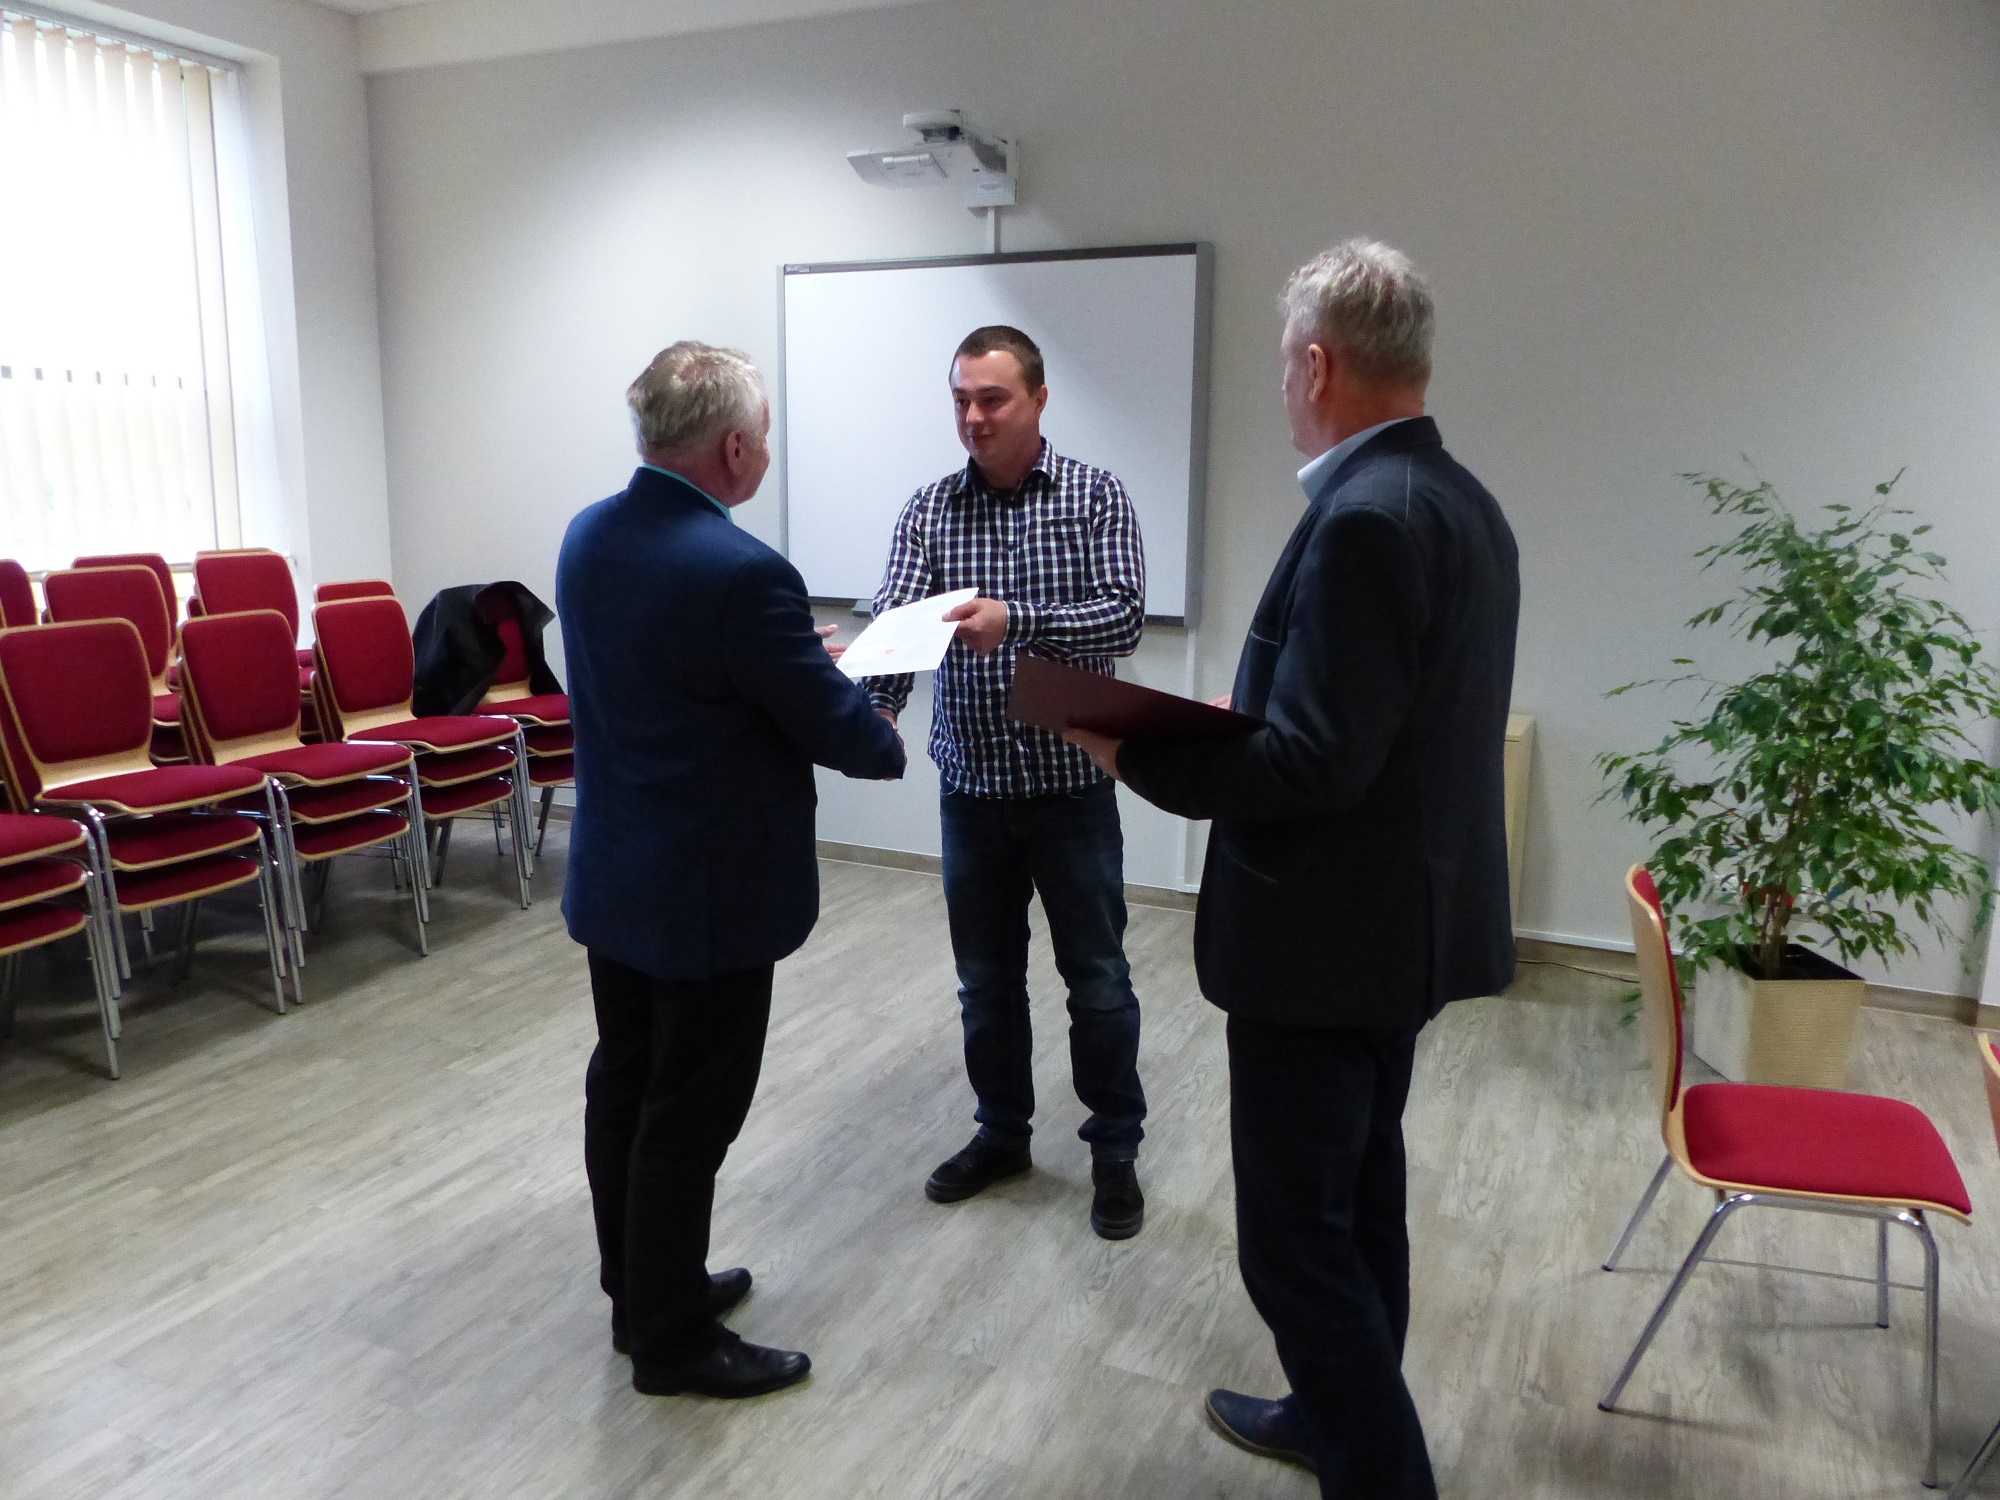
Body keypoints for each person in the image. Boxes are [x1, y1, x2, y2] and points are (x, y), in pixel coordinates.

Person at [1066, 241, 1519, 1497]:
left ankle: (1379, 1471)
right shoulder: (1457, 499)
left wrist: (1130, 748)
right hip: (1390, 932)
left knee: (1293, 1245)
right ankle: (1328, 1417)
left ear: (1317, 366)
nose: (1279, 387)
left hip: (1323, 943)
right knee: (1359, 1193)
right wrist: (1249, 712)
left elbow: (1314, 765)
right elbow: (1374, 727)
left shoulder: (1365, 517)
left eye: (1280, 365)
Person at [558, 341, 906, 1399]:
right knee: (691, 1112)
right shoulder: (743, 572)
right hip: (706, 894)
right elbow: (850, 740)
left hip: (618, 872)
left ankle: (640, 1290)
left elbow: (677, 674)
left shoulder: (589, 535)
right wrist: (867, 703)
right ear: (738, 447)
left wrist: (783, 656)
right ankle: (670, 1344)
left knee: (626, 1080)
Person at [864, 325, 1151, 1239]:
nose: (974, 417)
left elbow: (1124, 617)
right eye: (961, 400)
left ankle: (1114, 1150)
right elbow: (898, 624)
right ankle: (1002, 1135)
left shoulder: (1095, 495)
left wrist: (1015, 619)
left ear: (1038, 399)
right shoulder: (929, 510)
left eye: (992, 399)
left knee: (1097, 981)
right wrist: (875, 709)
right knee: (985, 985)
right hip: (973, 792)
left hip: (1072, 788)